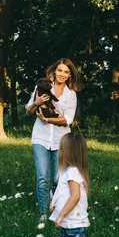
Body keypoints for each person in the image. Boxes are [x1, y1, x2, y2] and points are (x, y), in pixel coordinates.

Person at [25, 58, 81, 219]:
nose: (62, 74)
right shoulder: (41, 87)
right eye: (60, 70)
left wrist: (49, 120)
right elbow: (28, 111)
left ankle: (56, 207)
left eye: (66, 72)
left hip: (61, 140)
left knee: (58, 179)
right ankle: (44, 213)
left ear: (70, 75)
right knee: (42, 176)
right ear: (54, 71)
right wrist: (36, 103)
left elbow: (68, 119)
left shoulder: (71, 95)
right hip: (40, 138)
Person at [49, 132, 91, 237]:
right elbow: (61, 192)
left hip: (75, 227)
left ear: (67, 153)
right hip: (67, 227)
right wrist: (54, 204)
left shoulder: (73, 172)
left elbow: (75, 196)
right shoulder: (65, 172)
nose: (59, 152)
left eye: (61, 149)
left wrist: (60, 215)